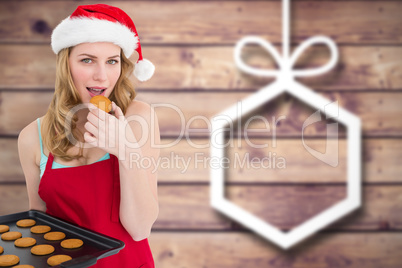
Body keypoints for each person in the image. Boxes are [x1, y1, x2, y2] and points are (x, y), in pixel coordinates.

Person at [17, 4, 159, 267]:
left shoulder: (137, 118)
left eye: (112, 61)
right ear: (66, 64)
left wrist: (126, 149)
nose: (101, 76)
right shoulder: (32, 137)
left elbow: (140, 229)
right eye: (87, 60)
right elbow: (37, 228)